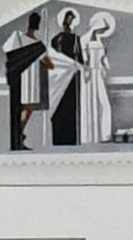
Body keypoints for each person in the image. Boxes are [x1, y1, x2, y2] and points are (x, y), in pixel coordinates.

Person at [2, 11, 51, 150]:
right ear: (38, 25)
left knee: (24, 109)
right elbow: (48, 64)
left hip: (22, 77)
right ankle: (18, 136)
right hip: (28, 79)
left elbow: (8, 50)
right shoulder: (36, 44)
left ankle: (18, 136)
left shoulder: (18, 38)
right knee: (28, 108)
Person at [48, 10, 84, 146]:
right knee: (63, 107)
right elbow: (80, 61)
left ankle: (65, 139)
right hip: (64, 79)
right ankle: (64, 138)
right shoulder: (69, 39)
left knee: (66, 107)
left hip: (66, 79)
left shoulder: (72, 39)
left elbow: (79, 60)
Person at [80, 13, 115, 144]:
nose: (102, 32)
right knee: (89, 104)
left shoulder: (101, 42)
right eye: (101, 29)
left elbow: (104, 60)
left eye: (104, 30)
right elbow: (83, 60)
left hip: (99, 75)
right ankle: (88, 137)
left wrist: (106, 67)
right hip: (88, 76)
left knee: (104, 104)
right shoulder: (84, 40)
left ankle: (104, 135)